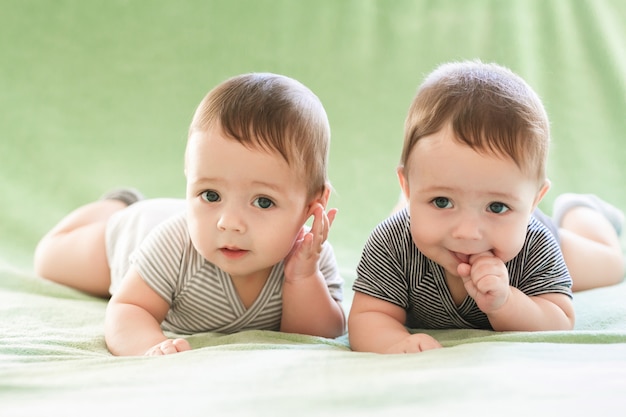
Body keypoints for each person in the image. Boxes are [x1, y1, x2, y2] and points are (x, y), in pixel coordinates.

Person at [34, 73, 346, 356]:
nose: (229, 223)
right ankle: (115, 205)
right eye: (210, 195)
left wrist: (302, 278)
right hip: (135, 232)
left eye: (263, 202)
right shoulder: (172, 247)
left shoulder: (309, 258)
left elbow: (319, 335)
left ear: (311, 206)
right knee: (49, 258)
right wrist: (149, 347)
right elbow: (129, 307)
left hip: (177, 229)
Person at [348, 60, 624, 354]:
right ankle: (421, 203)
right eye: (442, 201)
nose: (468, 233)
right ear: (407, 185)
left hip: (536, 234)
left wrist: (506, 303)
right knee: (410, 224)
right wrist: (395, 342)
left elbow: (560, 319)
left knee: (611, 265)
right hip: (423, 221)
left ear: (532, 201)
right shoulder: (393, 243)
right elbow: (369, 315)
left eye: (496, 206)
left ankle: (581, 210)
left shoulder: (536, 244)